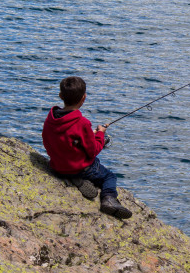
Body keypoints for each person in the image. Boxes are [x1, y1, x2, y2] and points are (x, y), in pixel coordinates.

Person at [42, 76, 132, 219]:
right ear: (84, 98)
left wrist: (90, 134)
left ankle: (72, 177)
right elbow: (93, 151)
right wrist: (100, 135)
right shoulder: (82, 123)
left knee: (74, 164)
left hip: (57, 166)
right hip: (79, 167)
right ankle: (108, 199)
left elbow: (59, 139)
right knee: (109, 176)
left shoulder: (51, 119)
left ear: (60, 96)